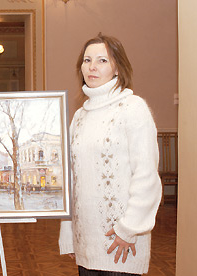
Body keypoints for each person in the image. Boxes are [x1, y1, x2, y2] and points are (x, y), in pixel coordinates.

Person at [59, 33, 162, 276]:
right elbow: (71, 180)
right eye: (87, 60)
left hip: (122, 241)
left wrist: (129, 229)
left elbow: (146, 176)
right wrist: (69, 234)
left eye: (102, 60)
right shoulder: (79, 116)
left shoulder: (133, 108)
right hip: (86, 242)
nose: (92, 66)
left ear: (118, 68)